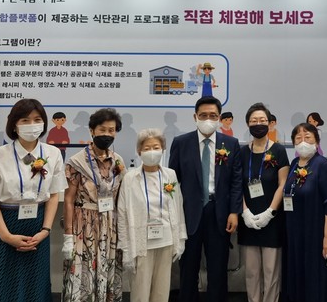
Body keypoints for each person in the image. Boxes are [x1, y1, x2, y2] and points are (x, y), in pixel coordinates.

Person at [0, 98, 67, 302]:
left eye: (37, 119)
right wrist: (7, 236)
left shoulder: (53, 154)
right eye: (25, 120)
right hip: (4, 228)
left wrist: (45, 230)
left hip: (38, 228)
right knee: (1, 287)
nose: (32, 124)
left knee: (35, 287)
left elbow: (54, 194)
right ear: (14, 125)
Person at [169, 95, 242, 302]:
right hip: (189, 212)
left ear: (219, 117)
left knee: (218, 268)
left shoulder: (231, 143)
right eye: (203, 115)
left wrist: (234, 212)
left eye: (212, 115)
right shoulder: (181, 143)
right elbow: (172, 181)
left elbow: (236, 181)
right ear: (195, 117)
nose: (208, 119)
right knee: (188, 267)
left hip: (219, 212)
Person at [62, 108, 126, 302]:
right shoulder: (77, 162)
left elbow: (120, 197)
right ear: (92, 131)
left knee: (107, 272)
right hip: (83, 226)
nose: (107, 134)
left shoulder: (117, 161)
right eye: (102, 129)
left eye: (111, 130)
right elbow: (68, 199)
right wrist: (68, 235)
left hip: (110, 224)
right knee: (82, 273)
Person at [117, 128, 187, 302]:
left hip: (166, 240)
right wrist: (125, 249)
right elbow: (122, 214)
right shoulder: (130, 178)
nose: (151, 151)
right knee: (140, 291)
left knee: (162, 291)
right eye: (146, 148)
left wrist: (180, 239)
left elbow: (178, 206)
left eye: (156, 147)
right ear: (139, 151)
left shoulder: (170, 174)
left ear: (163, 149)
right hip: (141, 242)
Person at [283, 123, 327, 302]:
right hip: (295, 232)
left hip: (315, 233)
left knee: (315, 276)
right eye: (298, 138)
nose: (303, 142)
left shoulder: (322, 165)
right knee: (297, 275)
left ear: (317, 141)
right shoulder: (294, 164)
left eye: (307, 137)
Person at [239, 103, 289, 302]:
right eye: (254, 121)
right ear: (248, 124)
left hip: (272, 220)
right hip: (248, 220)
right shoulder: (242, 153)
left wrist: (270, 212)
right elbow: (237, 185)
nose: (258, 124)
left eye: (262, 120)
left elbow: (283, 184)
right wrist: (244, 212)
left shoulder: (279, 150)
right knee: (251, 272)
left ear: (270, 123)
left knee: (271, 272)